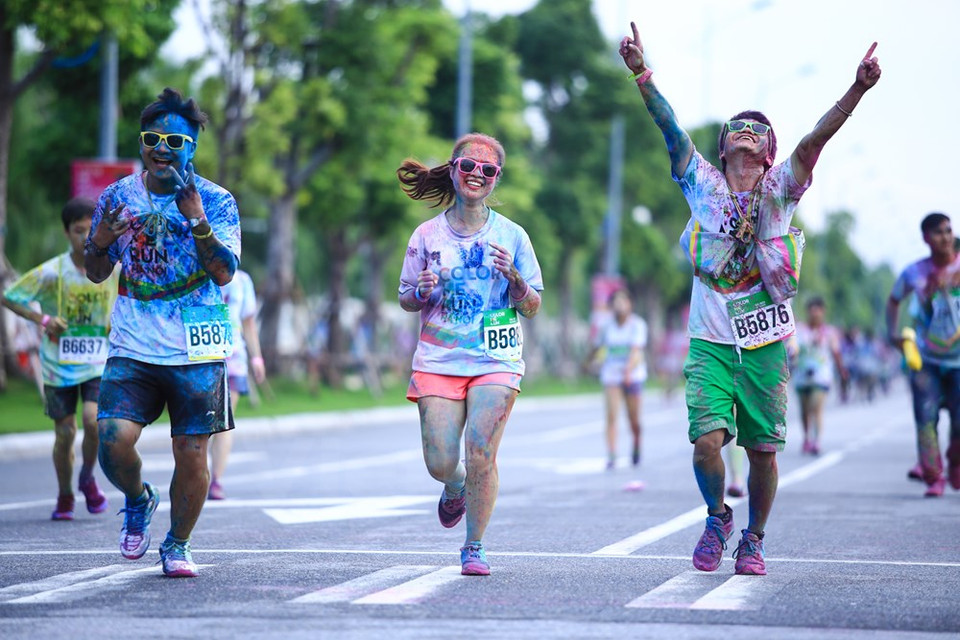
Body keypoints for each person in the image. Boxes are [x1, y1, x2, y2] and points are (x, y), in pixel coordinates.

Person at [619, 22, 880, 575]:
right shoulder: (703, 186)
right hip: (710, 341)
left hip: (764, 343)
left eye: (756, 132)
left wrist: (855, 90)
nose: (745, 134)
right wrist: (643, 75)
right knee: (706, 442)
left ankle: (754, 537)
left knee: (762, 451)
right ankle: (717, 515)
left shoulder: (781, 188)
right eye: (736, 129)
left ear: (768, 152)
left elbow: (814, 141)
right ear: (723, 146)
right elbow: (669, 129)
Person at [84, 87, 241, 577]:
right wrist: (103, 243)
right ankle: (137, 498)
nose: (161, 148)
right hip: (133, 341)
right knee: (110, 436)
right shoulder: (117, 196)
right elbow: (94, 271)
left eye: (174, 140)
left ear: (192, 146)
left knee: (192, 453)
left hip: (197, 343)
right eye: (152, 138)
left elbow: (223, 272)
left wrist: (196, 220)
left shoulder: (216, 200)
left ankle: (177, 543)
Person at [396, 132, 543, 576]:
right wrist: (420, 291)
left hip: (495, 359)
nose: (477, 174)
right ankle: (455, 485)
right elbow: (404, 296)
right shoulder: (426, 235)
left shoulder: (513, 236)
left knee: (481, 452)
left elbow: (533, 305)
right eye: (468, 167)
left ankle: (474, 546)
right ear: (454, 169)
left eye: (488, 170)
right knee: (442, 461)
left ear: (497, 179)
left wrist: (515, 278)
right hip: (439, 360)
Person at [3, 198, 117, 521]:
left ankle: (88, 477)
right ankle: (65, 493)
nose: (85, 237)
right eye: (78, 230)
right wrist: (44, 321)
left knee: (94, 421)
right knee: (65, 433)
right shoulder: (53, 272)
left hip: (97, 360)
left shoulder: (111, 268)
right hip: (58, 365)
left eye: (90, 229)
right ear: (67, 233)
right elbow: (10, 297)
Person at [885, 212, 960, 498]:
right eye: (939, 232)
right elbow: (893, 300)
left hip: (959, 360)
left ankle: (955, 460)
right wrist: (893, 333)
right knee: (925, 417)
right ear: (927, 238)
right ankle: (934, 476)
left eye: (949, 230)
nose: (946, 236)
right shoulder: (915, 272)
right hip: (927, 359)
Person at [209, 268, 265, 500]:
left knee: (224, 420)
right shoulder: (198, 272)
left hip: (233, 358)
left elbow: (249, 322)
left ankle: (216, 481)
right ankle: (197, 475)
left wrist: (257, 358)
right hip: (201, 358)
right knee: (202, 422)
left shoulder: (243, 280)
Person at [585, 288, 647, 470]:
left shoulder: (637, 325)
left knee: (633, 418)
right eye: (616, 302)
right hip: (611, 374)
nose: (619, 305)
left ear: (630, 304)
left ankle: (636, 443)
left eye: (623, 301)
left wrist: (628, 371)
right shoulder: (607, 326)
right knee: (611, 415)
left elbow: (636, 352)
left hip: (633, 376)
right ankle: (612, 454)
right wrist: (587, 362)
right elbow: (597, 347)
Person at [791, 297, 847, 455]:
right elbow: (792, 349)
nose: (815, 313)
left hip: (821, 376)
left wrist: (842, 370)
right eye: (812, 310)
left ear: (823, 312)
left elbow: (836, 353)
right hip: (802, 375)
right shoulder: (799, 330)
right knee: (804, 410)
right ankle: (807, 438)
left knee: (816, 407)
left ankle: (817, 440)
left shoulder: (830, 333)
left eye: (818, 310)